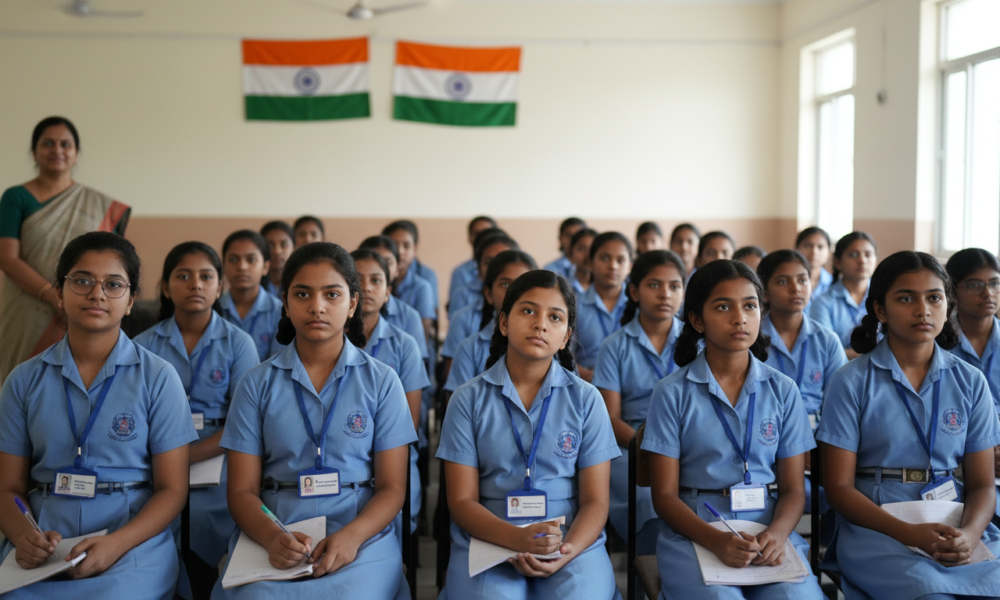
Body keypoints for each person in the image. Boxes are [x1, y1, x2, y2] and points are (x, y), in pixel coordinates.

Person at [212, 242, 416, 599]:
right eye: (302, 293)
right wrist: (273, 536)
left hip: (359, 531)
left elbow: (393, 488)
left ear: (353, 303)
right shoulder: (256, 384)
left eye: (332, 294)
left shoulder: (382, 381)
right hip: (277, 528)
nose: (317, 306)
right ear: (286, 303)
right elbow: (241, 490)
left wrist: (352, 537)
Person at [0, 232, 197, 599]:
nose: (97, 293)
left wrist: (116, 544)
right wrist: (23, 536)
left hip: (131, 538)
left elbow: (172, 490)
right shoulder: (23, 380)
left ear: (131, 301)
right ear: (59, 292)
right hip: (46, 540)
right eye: (82, 281)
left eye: (114, 284)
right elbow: (7, 489)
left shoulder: (158, 377)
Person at [817, 251, 1000, 599]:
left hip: (954, 520)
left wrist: (971, 535)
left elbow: (982, 485)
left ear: (949, 305)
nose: (923, 309)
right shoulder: (851, 381)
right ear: (880, 310)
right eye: (906, 298)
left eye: (934, 297)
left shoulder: (970, 381)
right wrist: (909, 534)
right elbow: (838, 488)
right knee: (929, 594)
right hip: (877, 525)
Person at [641, 259, 823, 599]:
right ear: (696, 320)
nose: (739, 318)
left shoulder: (783, 390)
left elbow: (794, 490)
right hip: (697, 531)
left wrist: (778, 534)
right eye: (723, 307)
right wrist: (716, 540)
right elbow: (664, 496)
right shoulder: (671, 392)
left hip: (767, 529)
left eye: (750, 306)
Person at [436, 270, 622, 600]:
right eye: (528, 311)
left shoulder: (586, 398)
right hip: (490, 535)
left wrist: (565, 550)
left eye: (555, 317)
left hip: (567, 537)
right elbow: (462, 502)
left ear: (565, 337)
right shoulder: (468, 399)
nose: (541, 324)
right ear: (504, 323)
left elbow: (596, 501)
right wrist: (517, 540)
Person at [133, 241, 259, 598]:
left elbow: (243, 426)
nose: (195, 284)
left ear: (220, 287)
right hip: (155, 459)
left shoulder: (239, 343)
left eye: (206, 277)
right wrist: (169, 459)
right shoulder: (143, 346)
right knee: (154, 507)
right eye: (183, 276)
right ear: (164, 286)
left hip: (221, 459)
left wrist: (185, 457)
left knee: (202, 515)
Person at [0, 117, 131, 385]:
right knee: (20, 383)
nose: (57, 150)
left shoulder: (97, 204)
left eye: (65, 144)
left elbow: (112, 264)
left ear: (76, 153)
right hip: (27, 309)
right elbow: (7, 258)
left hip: (83, 305)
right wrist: (52, 296)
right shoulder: (16, 197)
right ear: (34, 151)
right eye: (48, 143)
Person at [592, 250, 686, 554]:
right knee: (646, 498)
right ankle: (652, 573)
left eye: (674, 286)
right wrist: (649, 448)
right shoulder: (614, 345)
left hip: (687, 439)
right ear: (634, 291)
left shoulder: (698, 341)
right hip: (629, 442)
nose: (665, 294)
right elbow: (610, 416)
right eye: (654, 285)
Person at [351, 248, 428, 541]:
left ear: (388, 293)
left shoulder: (404, 345)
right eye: (357, 280)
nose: (367, 288)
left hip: (391, 451)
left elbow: (410, 421)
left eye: (376, 281)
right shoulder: (324, 342)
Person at [757, 250, 847, 427]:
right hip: (764, 430)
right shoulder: (752, 338)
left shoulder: (827, 340)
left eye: (802, 280)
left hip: (816, 433)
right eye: (782, 281)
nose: (795, 288)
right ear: (765, 292)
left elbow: (840, 402)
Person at [945, 248, 1000, 525]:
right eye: (975, 285)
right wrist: (981, 454)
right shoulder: (936, 347)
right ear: (952, 291)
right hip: (954, 459)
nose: (988, 293)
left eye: (994, 283)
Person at [444, 250, 536, 396]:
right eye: (505, 284)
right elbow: (458, 410)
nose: (513, 291)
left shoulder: (546, 345)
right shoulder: (469, 349)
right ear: (488, 294)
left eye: (522, 284)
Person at [441, 232, 520, 375]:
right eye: (488, 262)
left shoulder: (537, 327)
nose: (496, 267)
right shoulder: (464, 319)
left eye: (504, 260)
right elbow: (454, 382)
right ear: (477, 267)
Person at [574, 232, 633, 381]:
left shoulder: (640, 306)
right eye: (605, 258)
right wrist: (589, 376)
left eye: (620, 260)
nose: (613, 266)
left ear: (630, 267)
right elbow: (562, 355)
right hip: (586, 385)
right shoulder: (574, 305)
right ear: (590, 263)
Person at [809, 231, 877, 358]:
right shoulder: (823, 302)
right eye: (853, 255)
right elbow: (826, 349)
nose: (862, 260)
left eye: (868, 255)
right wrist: (873, 356)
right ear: (837, 262)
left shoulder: (883, 298)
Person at [219, 230, 284, 361]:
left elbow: (279, 364)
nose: (242, 267)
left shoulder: (279, 311)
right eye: (233, 259)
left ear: (265, 267)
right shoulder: (214, 308)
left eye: (251, 260)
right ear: (223, 266)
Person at [448, 229, 514, 320]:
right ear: (478, 265)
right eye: (488, 262)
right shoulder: (462, 299)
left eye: (503, 261)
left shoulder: (525, 295)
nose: (494, 267)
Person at [382, 220, 439, 309]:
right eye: (394, 245)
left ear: (415, 249)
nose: (400, 252)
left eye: (406, 246)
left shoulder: (426, 277)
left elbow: (431, 317)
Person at [448, 216, 497, 316]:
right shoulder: (459, 272)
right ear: (469, 237)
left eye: (487, 233)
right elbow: (455, 314)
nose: (482, 238)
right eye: (477, 234)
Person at [795, 227, 833, 306]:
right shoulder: (789, 282)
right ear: (797, 249)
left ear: (829, 253)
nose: (814, 252)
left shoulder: (833, 283)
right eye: (808, 246)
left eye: (820, 247)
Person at [260, 221, 294, 298]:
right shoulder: (254, 282)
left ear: (294, 247)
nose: (277, 251)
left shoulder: (300, 280)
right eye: (270, 245)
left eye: (283, 245)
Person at [568, 228, 597, 297]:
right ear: (571, 252)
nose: (587, 255)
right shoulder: (561, 282)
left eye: (592, 249)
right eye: (581, 249)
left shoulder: (607, 285)